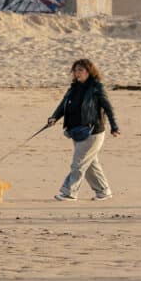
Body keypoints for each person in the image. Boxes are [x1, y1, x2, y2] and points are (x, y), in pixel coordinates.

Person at [46, 58, 120, 201]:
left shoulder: (96, 88)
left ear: (89, 71)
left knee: (78, 164)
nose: (77, 73)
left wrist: (114, 126)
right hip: (76, 132)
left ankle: (69, 192)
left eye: (80, 70)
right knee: (90, 164)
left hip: (93, 132)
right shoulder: (73, 88)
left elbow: (108, 108)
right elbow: (63, 105)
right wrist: (54, 117)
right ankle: (103, 191)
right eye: (75, 70)